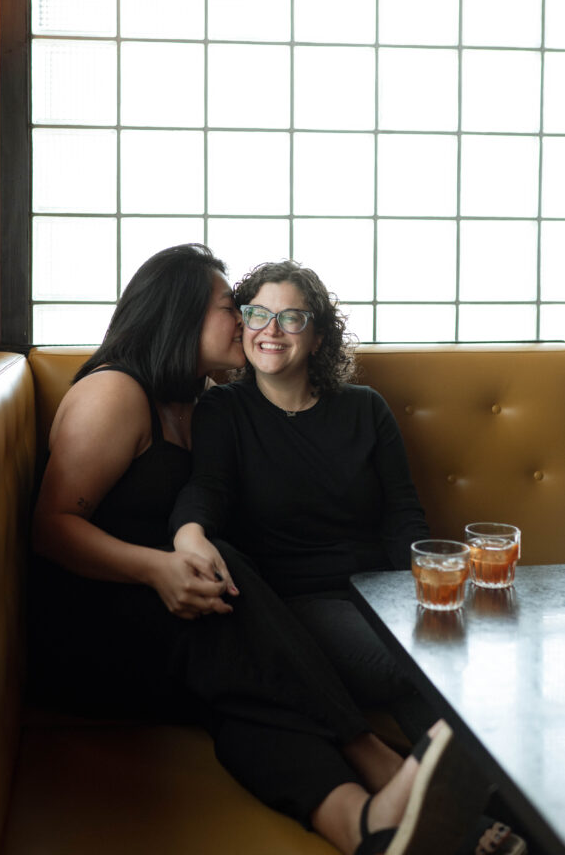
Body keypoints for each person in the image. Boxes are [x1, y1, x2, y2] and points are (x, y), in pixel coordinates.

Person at [29, 243, 491, 855]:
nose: (250, 323)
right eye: (237, 308)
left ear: (318, 336)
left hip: (173, 612)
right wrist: (162, 565)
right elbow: (49, 527)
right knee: (229, 577)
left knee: (241, 696)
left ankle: (363, 826)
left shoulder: (193, 401)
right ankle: (373, 756)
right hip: (98, 631)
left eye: (281, 316)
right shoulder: (115, 392)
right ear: (183, 313)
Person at [170, 259, 527, 855]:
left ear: (318, 334)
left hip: (379, 593)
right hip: (296, 609)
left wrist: (429, 596)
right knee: (423, 662)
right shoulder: (223, 412)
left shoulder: (366, 409)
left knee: (443, 654)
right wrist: (187, 534)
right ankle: (481, 821)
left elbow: (403, 518)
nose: (270, 329)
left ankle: (505, 819)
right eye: (257, 313)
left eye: (291, 317)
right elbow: (207, 487)